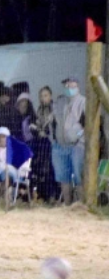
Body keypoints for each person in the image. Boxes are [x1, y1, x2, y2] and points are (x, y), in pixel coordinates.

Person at [51, 77, 86, 205]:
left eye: (72, 85)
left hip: (77, 145)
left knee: (78, 176)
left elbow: (87, 123)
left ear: (77, 86)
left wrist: (77, 135)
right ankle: (67, 205)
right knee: (63, 177)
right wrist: (54, 138)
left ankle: (81, 205)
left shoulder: (83, 102)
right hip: (60, 145)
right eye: (66, 85)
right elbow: (54, 122)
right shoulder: (60, 102)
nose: (69, 87)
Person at [30, 86, 57, 202]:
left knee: (51, 169)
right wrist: (37, 129)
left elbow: (55, 127)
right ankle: (42, 195)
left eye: (45, 95)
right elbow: (36, 125)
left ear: (50, 96)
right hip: (41, 144)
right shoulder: (39, 110)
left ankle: (52, 196)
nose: (43, 98)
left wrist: (45, 132)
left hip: (52, 144)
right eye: (41, 96)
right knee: (40, 168)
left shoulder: (54, 109)